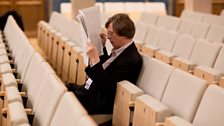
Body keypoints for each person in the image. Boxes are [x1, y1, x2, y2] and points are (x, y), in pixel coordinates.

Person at [66, 13, 142, 115]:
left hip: (98, 103)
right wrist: (101, 47)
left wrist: (95, 60)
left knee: (62, 97)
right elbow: (108, 67)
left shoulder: (130, 60)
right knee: (61, 88)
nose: (108, 37)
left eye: (111, 33)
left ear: (123, 34)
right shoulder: (121, 50)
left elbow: (108, 90)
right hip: (90, 92)